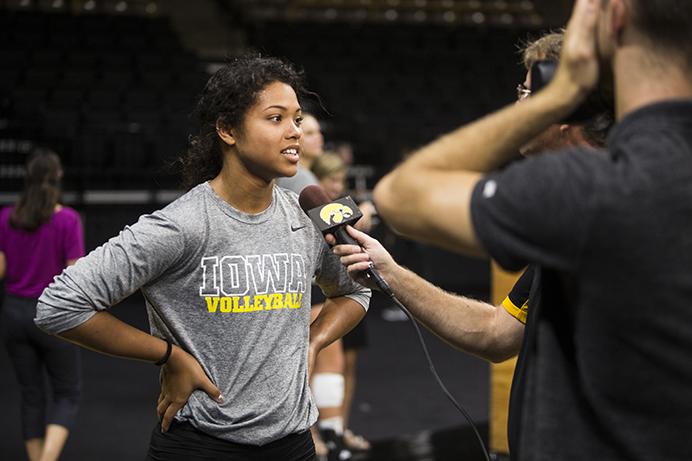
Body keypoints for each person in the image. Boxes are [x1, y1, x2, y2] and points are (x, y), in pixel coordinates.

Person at [369, 1, 692, 460]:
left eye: (527, 91)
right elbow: (498, 334)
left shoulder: (590, 192)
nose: (521, 101)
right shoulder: (597, 208)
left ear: (613, 17)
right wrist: (392, 273)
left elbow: (401, 195)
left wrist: (558, 93)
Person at [34, 55, 371, 461]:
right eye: (276, 118)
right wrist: (168, 356)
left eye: (297, 119)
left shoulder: (303, 217)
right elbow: (59, 306)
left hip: (293, 444)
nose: (294, 132)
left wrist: (314, 341)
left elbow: (354, 290)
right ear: (228, 130)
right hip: (200, 446)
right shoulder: (183, 225)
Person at [0, 148, 84, 461]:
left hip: (13, 314)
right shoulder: (68, 220)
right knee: (67, 393)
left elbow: (2, 269)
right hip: (53, 319)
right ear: (58, 176)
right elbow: (76, 276)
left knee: (31, 395)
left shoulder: (7, 218)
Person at [311, 152, 374, 453]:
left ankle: (340, 427)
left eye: (340, 181)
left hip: (351, 285)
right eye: (331, 180)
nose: (336, 186)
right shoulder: (304, 196)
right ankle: (313, 433)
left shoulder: (338, 207)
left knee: (348, 362)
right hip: (318, 291)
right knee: (318, 358)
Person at [276, 113, 324, 192]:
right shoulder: (301, 178)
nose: (319, 138)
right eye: (310, 133)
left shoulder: (290, 172)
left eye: (319, 132)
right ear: (296, 137)